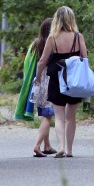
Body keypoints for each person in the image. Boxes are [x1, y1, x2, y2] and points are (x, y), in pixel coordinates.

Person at [36, 6, 88, 158]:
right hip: (74, 81)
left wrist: (38, 77)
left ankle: (61, 147)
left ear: (57, 20)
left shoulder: (52, 38)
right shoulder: (78, 37)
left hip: (57, 80)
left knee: (59, 117)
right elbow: (85, 59)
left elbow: (42, 61)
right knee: (71, 117)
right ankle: (69, 150)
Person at [28, 18, 58, 157]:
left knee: (45, 115)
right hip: (48, 81)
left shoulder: (36, 43)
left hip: (39, 82)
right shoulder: (52, 42)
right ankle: (37, 145)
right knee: (47, 117)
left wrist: (37, 77)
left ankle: (47, 145)